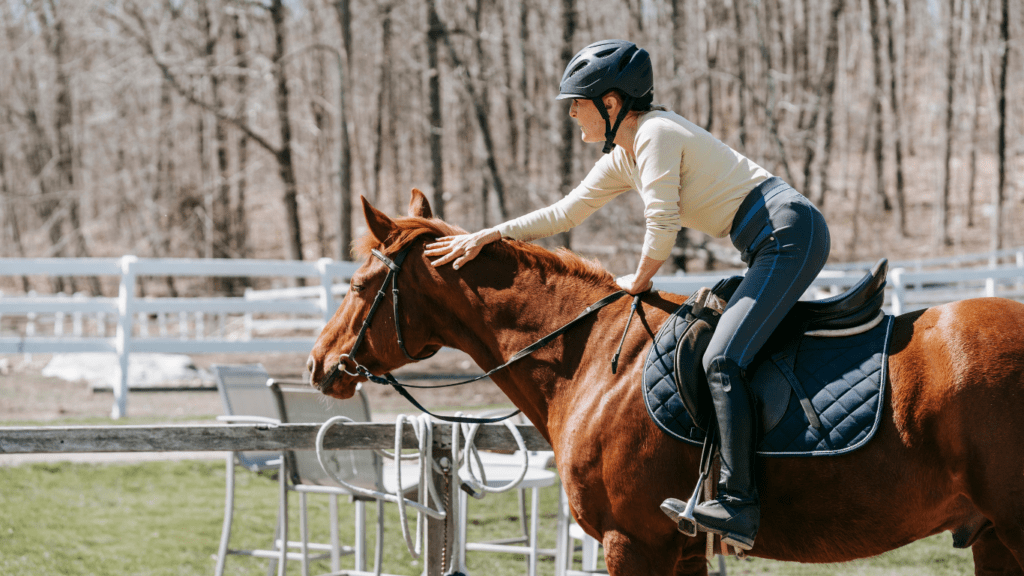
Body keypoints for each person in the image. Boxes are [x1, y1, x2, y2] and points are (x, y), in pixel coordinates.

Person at [423, 39, 830, 550]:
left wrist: (637, 282)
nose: (572, 113)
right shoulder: (624, 154)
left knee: (723, 358)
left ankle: (739, 502)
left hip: (788, 235)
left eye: (578, 101)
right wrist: (490, 234)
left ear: (611, 104)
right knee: (715, 344)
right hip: (768, 241)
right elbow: (564, 214)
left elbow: (663, 221)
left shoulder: (656, 133)